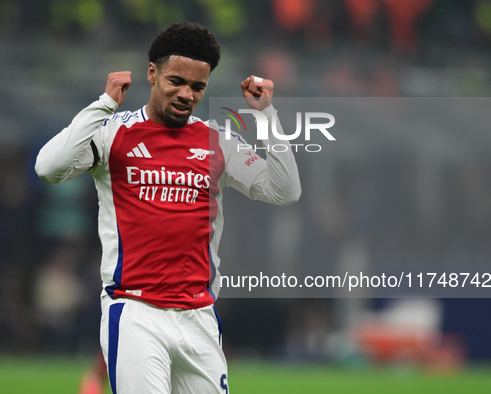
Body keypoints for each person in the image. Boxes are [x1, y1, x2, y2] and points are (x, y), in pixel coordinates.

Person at [36, 21, 300, 394]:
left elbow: (285, 190)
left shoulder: (218, 140)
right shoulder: (113, 134)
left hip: (199, 317)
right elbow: (47, 167)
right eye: (176, 80)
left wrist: (266, 116)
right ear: (152, 73)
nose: (186, 94)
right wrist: (104, 104)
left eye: (197, 87)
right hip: (135, 313)